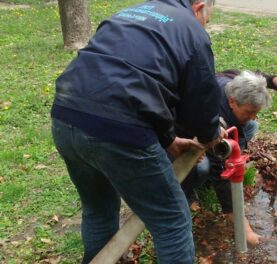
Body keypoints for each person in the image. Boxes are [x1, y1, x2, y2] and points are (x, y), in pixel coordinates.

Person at [50, 0, 224, 263]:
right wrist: (211, 132)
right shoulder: (192, 29)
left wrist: (168, 139)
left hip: (65, 115)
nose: (204, 24)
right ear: (199, 6)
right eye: (206, 19)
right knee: (171, 220)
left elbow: (130, 77)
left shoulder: (128, 13)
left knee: (98, 209)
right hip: (119, 130)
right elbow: (200, 103)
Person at [181, 70, 277, 246]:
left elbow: (251, 75)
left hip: (217, 127)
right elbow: (221, 174)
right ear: (232, 101)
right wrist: (245, 230)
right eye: (249, 111)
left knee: (250, 126)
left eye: (256, 111)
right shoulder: (213, 120)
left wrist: (273, 80)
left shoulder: (232, 82)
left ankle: (231, 155)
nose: (253, 116)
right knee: (203, 167)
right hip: (181, 143)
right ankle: (187, 193)